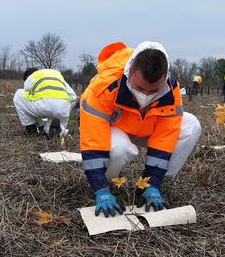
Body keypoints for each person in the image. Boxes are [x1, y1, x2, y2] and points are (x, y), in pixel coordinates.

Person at [80, 42, 202, 217]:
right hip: (116, 130)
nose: (146, 95)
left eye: (154, 90)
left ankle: (152, 186)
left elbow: (165, 138)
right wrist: (101, 189)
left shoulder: (171, 88)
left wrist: (152, 182)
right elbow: (93, 141)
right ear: (129, 73)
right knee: (120, 149)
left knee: (191, 125)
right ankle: (105, 184)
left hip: (147, 128)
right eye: (139, 88)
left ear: (165, 77)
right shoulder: (103, 87)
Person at [13, 68, 77, 138]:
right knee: (53, 126)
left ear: (27, 77)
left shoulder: (33, 76)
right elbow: (73, 97)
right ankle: (58, 131)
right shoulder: (57, 76)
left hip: (44, 106)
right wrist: (66, 108)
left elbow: (27, 95)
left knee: (19, 94)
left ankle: (31, 129)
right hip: (63, 110)